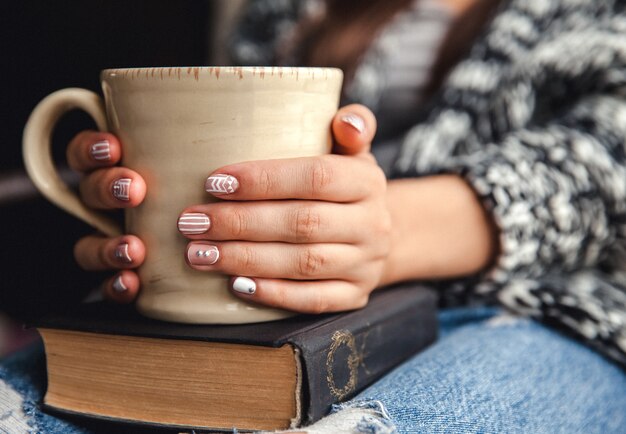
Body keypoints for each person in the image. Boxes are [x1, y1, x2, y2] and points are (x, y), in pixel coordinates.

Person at [3, 0, 626, 432]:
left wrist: (385, 234)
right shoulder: (288, 9)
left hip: (539, 305)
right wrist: (133, 207)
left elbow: (609, 155)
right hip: (275, 312)